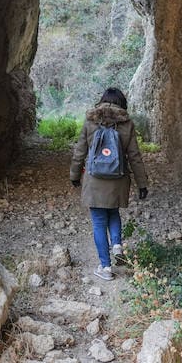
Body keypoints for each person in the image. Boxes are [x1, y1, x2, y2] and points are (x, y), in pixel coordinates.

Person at [70, 87, 148, 280]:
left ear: (102, 100)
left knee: (98, 221)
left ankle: (105, 267)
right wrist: (142, 183)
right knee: (113, 212)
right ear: (122, 103)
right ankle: (117, 245)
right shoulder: (126, 124)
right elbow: (134, 157)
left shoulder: (91, 121)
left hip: (95, 179)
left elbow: (80, 151)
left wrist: (74, 175)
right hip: (118, 179)